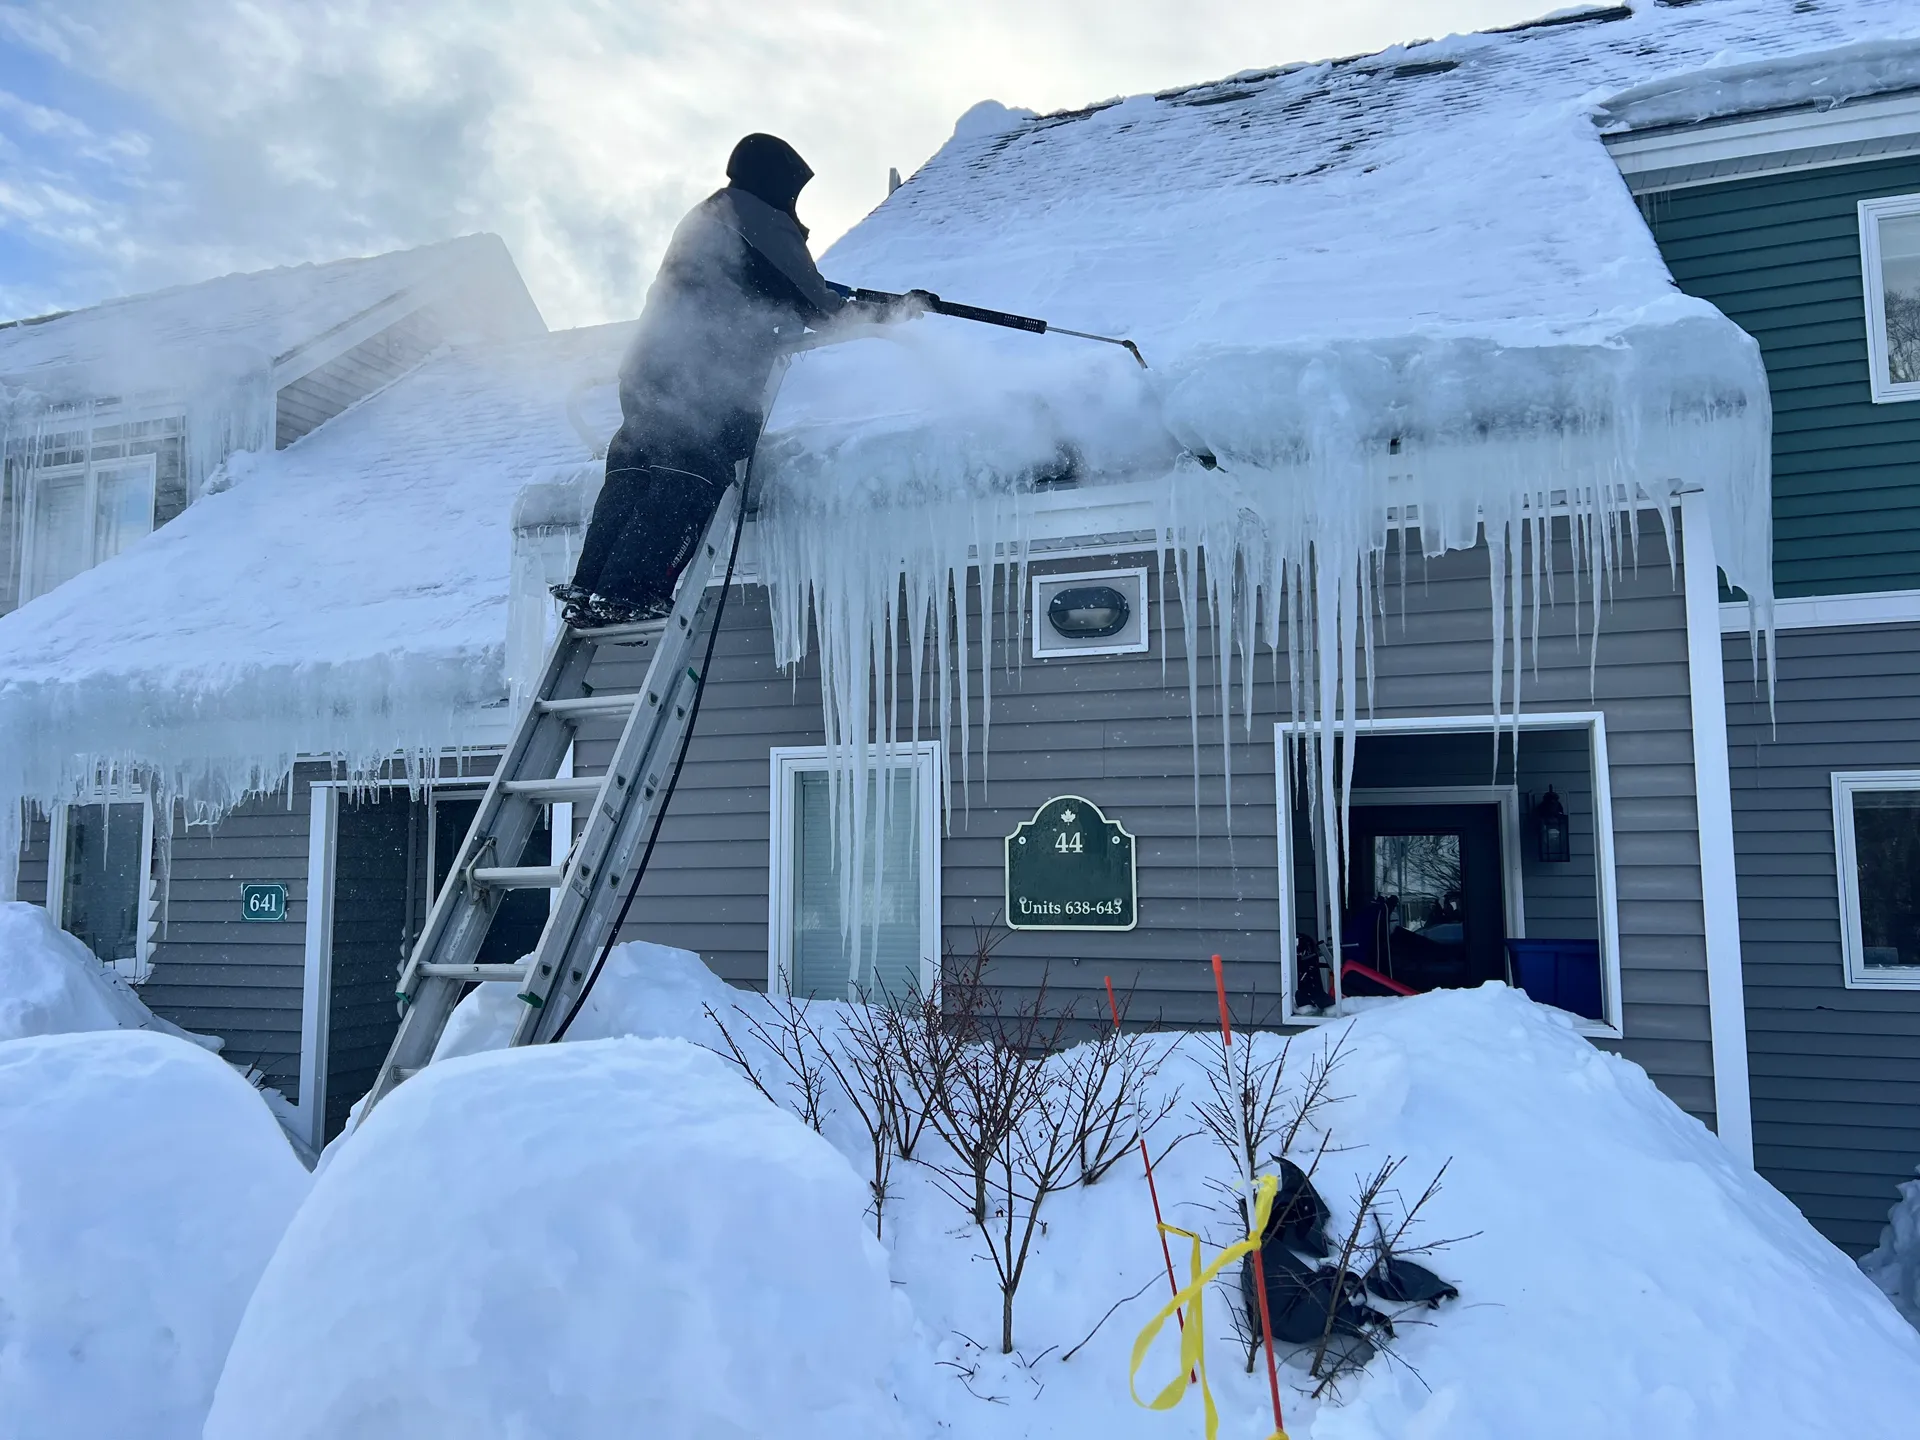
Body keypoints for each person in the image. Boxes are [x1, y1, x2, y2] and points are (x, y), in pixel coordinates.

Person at [555, 133, 923, 628]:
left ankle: (591, 585)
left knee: (634, 470)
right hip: (704, 372)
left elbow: (748, 283)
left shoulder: (710, 214)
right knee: (690, 471)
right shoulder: (760, 216)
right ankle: (632, 589)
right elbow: (819, 307)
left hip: (648, 364)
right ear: (779, 183)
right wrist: (896, 312)